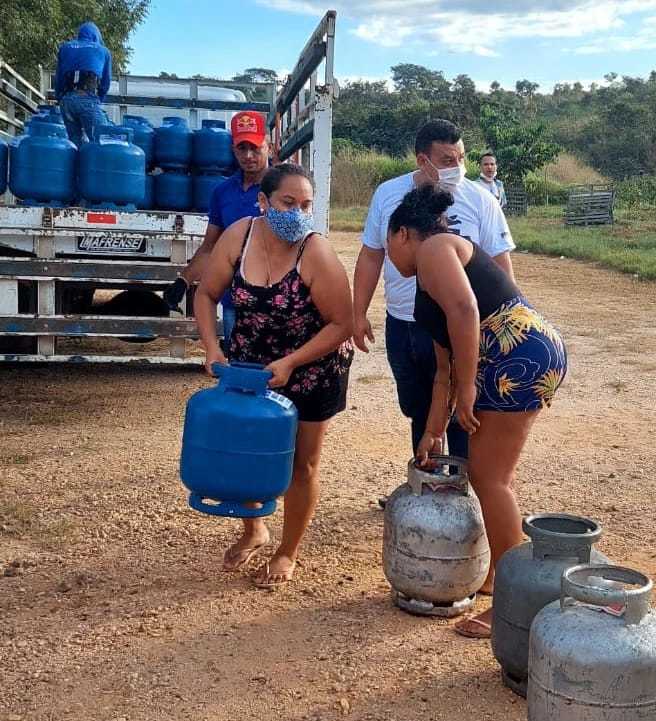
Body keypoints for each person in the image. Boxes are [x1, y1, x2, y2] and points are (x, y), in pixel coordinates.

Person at [386, 184, 567, 638]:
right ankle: (496, 580)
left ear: (403, 233)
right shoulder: (426, 287)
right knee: (490, 475)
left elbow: (468, 311)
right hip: (512, 355)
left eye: (388, 242)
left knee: (490, 479)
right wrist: (432, 431)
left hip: (517, 353)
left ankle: (513, 604)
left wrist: (469, 387)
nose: (387, 254)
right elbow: (443, 372)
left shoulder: (435, 250)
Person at [194, 163, 354, 587]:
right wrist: (212, 346)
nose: (297, 213)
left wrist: (291, 362)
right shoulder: (239, 236)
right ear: (263, 202)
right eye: (288, 203)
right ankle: (255, 529)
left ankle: (288, 551)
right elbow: (206, 293)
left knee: (302, 464)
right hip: (250, 363)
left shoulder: (314, 251)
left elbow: (342, 324)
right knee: (247, 448)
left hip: (311, 366)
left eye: (306, 205)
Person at [353, 119, 515, 465]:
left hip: (459, 325)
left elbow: (501, 268)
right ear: (421, 160)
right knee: (419, 407)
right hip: (405, 321)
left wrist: (501, 329)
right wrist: (358, 312)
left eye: (461, 158)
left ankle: (464, 490)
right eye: (446, 160)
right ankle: (426, 484)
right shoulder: (388, 194)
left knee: (463, 408)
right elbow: (370, 254)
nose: (457, 168)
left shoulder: (481, 200)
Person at [163, 110, 272, 348]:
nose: (249, 155)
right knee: (238, 373)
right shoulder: (223, 192)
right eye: (241, 148)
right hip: (235, 300)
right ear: (233, 150)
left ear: (269, 146)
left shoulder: (282, 186)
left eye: (255, 147)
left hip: (275, 302)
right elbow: (211, 246)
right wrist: (183, 281)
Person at [54, 22, 112, 147]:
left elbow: (58, 78)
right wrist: (98, 100)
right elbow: (106, 83)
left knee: (74, 145)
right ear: (96, 37)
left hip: (67, 101)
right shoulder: (103, 51)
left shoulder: (65, 48)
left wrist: (60, 99)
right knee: (102, 142)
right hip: (88, 98)